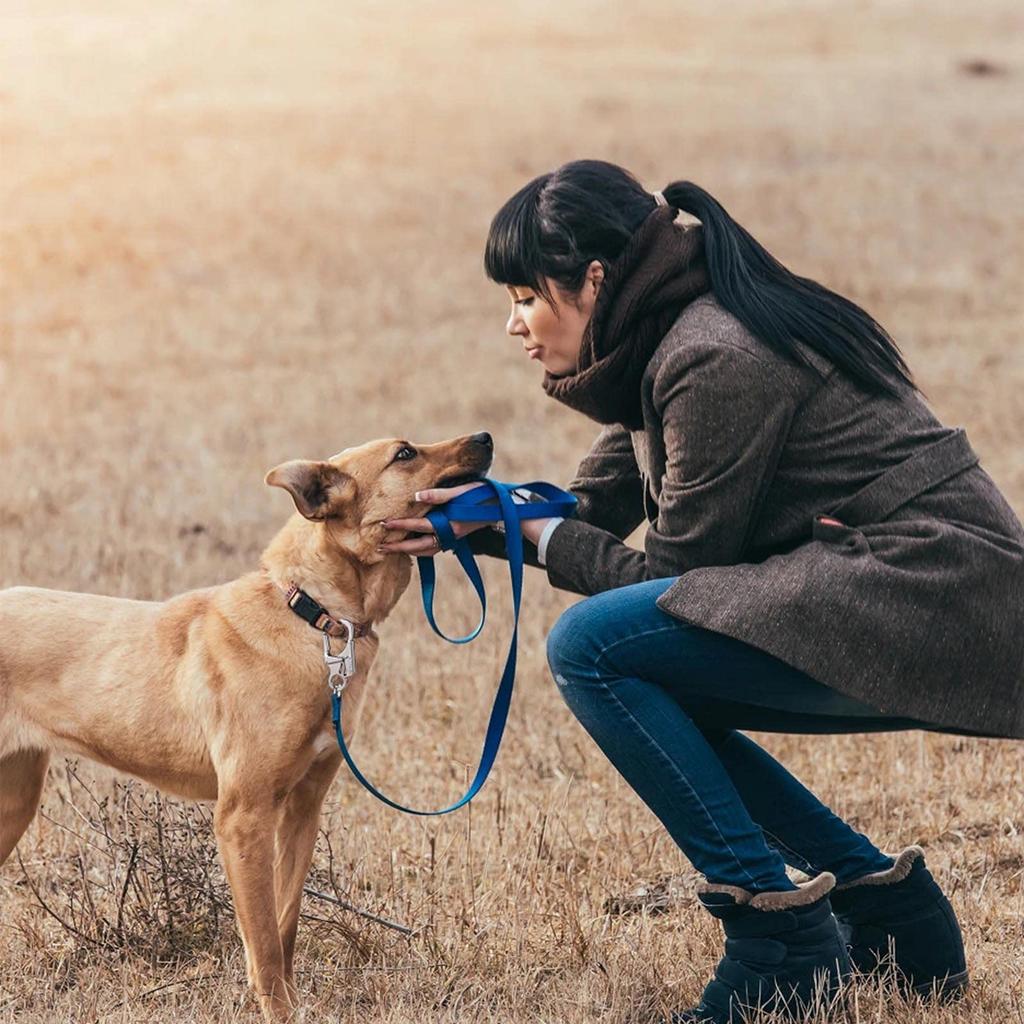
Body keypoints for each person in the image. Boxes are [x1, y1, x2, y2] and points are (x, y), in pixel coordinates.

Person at [378, 159, 1024, 1023]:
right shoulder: (667, 330)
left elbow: (675, 580)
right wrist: (489, 516)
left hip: (938, 600)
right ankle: (884, 909)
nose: (514, 324)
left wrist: (527, 533)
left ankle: (782, 943)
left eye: (528, 295)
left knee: (596, 648)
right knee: (648, 663)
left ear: (595, 280)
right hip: (903, 588)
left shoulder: (711, 353)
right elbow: (598, 501)